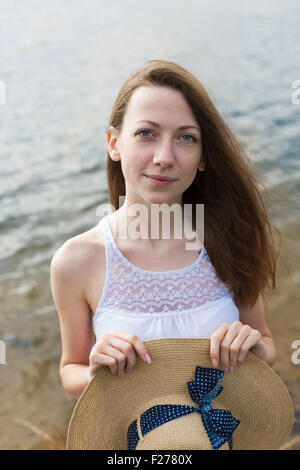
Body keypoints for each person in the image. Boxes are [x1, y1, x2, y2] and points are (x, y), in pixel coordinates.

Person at [50, 60, 279, 400]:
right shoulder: (76, 261)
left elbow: (265, 340)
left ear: (203, 157)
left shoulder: (226, 239)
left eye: (187, 138)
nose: (164, 157)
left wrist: (257, 351)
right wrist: (94, 373)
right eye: (146, 133)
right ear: (114, 143)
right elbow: (71, 368)